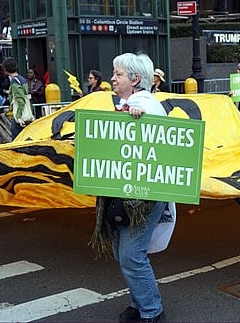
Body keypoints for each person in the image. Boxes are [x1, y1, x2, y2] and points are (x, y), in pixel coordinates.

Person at [90, 52, 169, 323]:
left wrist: (135, 116)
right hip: (131, 194)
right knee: (125, 253)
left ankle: (151, 311)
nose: (112, 78)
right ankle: (139, 303)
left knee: (131, 255)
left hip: (143, 197)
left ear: (135, 79)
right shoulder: (130, 104)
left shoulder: (142, 105)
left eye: (118, 74)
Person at [3, 57, 33, 140]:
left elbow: (20, 100)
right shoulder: (22, 79)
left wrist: (19, 117)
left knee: (16, 142)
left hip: (20, 117)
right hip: (27, 115)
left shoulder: (14, 81)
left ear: (6, 69)